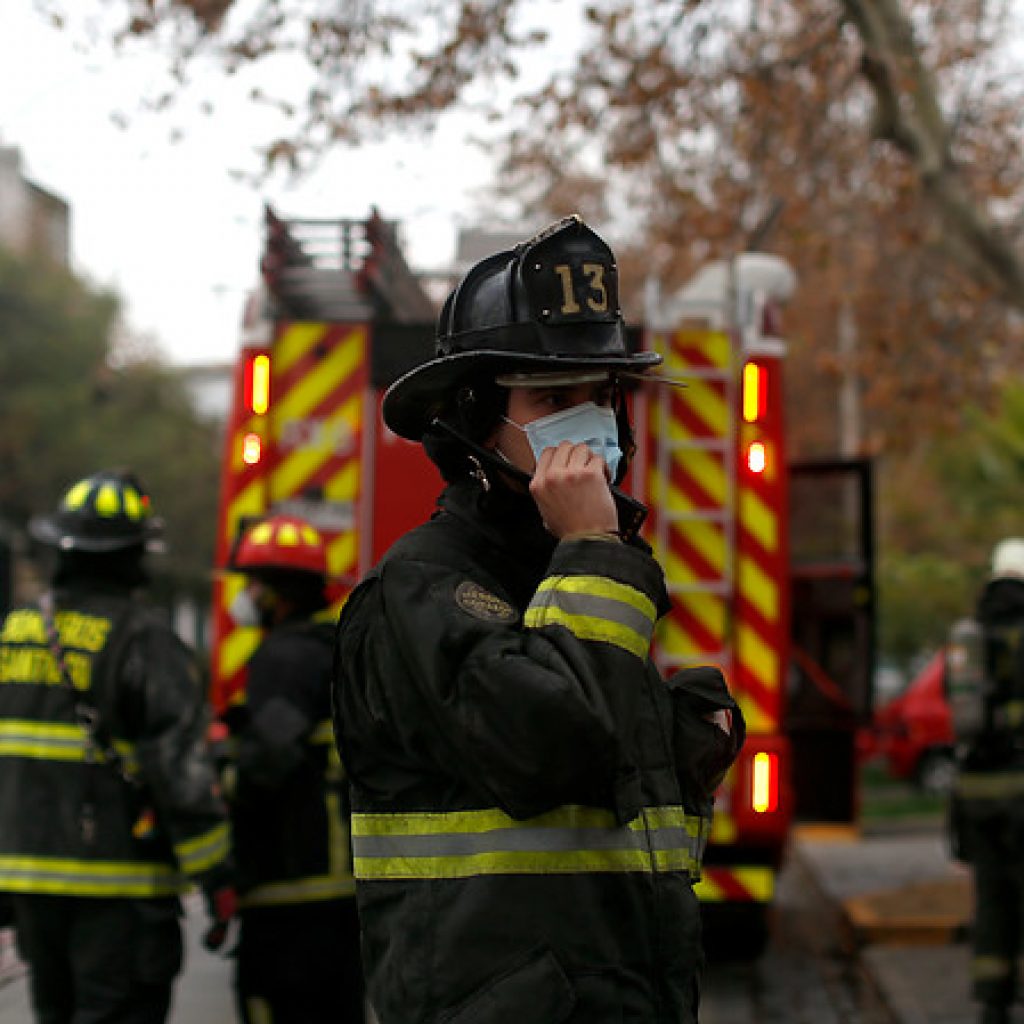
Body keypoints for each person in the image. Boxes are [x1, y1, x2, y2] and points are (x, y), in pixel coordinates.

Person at [332, 215, 745, 1024]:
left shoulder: (560, 569)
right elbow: (547, 749)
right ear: (478, 420)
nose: (586, 427)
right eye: (553, 399)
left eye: (600, 398)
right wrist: (593, 546)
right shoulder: (425, 584)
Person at [0, 468, 234, 1024]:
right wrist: (216, 874)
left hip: (30, 885)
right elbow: (183, 774)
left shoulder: (15, 632)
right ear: (135, 555)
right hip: (119, 889)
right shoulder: (144, 640)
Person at [225, 514, 365, 1024]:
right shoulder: (334, 647)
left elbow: (268, 759)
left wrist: (226, 785)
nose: (246, 597)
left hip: (289, 881)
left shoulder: (283, 659)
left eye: (252, 585)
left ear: (275, 593)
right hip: (342, 884)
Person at [949, 537, 1024, 1024]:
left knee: (992, 897)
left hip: (975, 793)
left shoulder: (971, 632)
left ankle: (992, 1002)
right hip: (1021, 788)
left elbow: (957, 708)